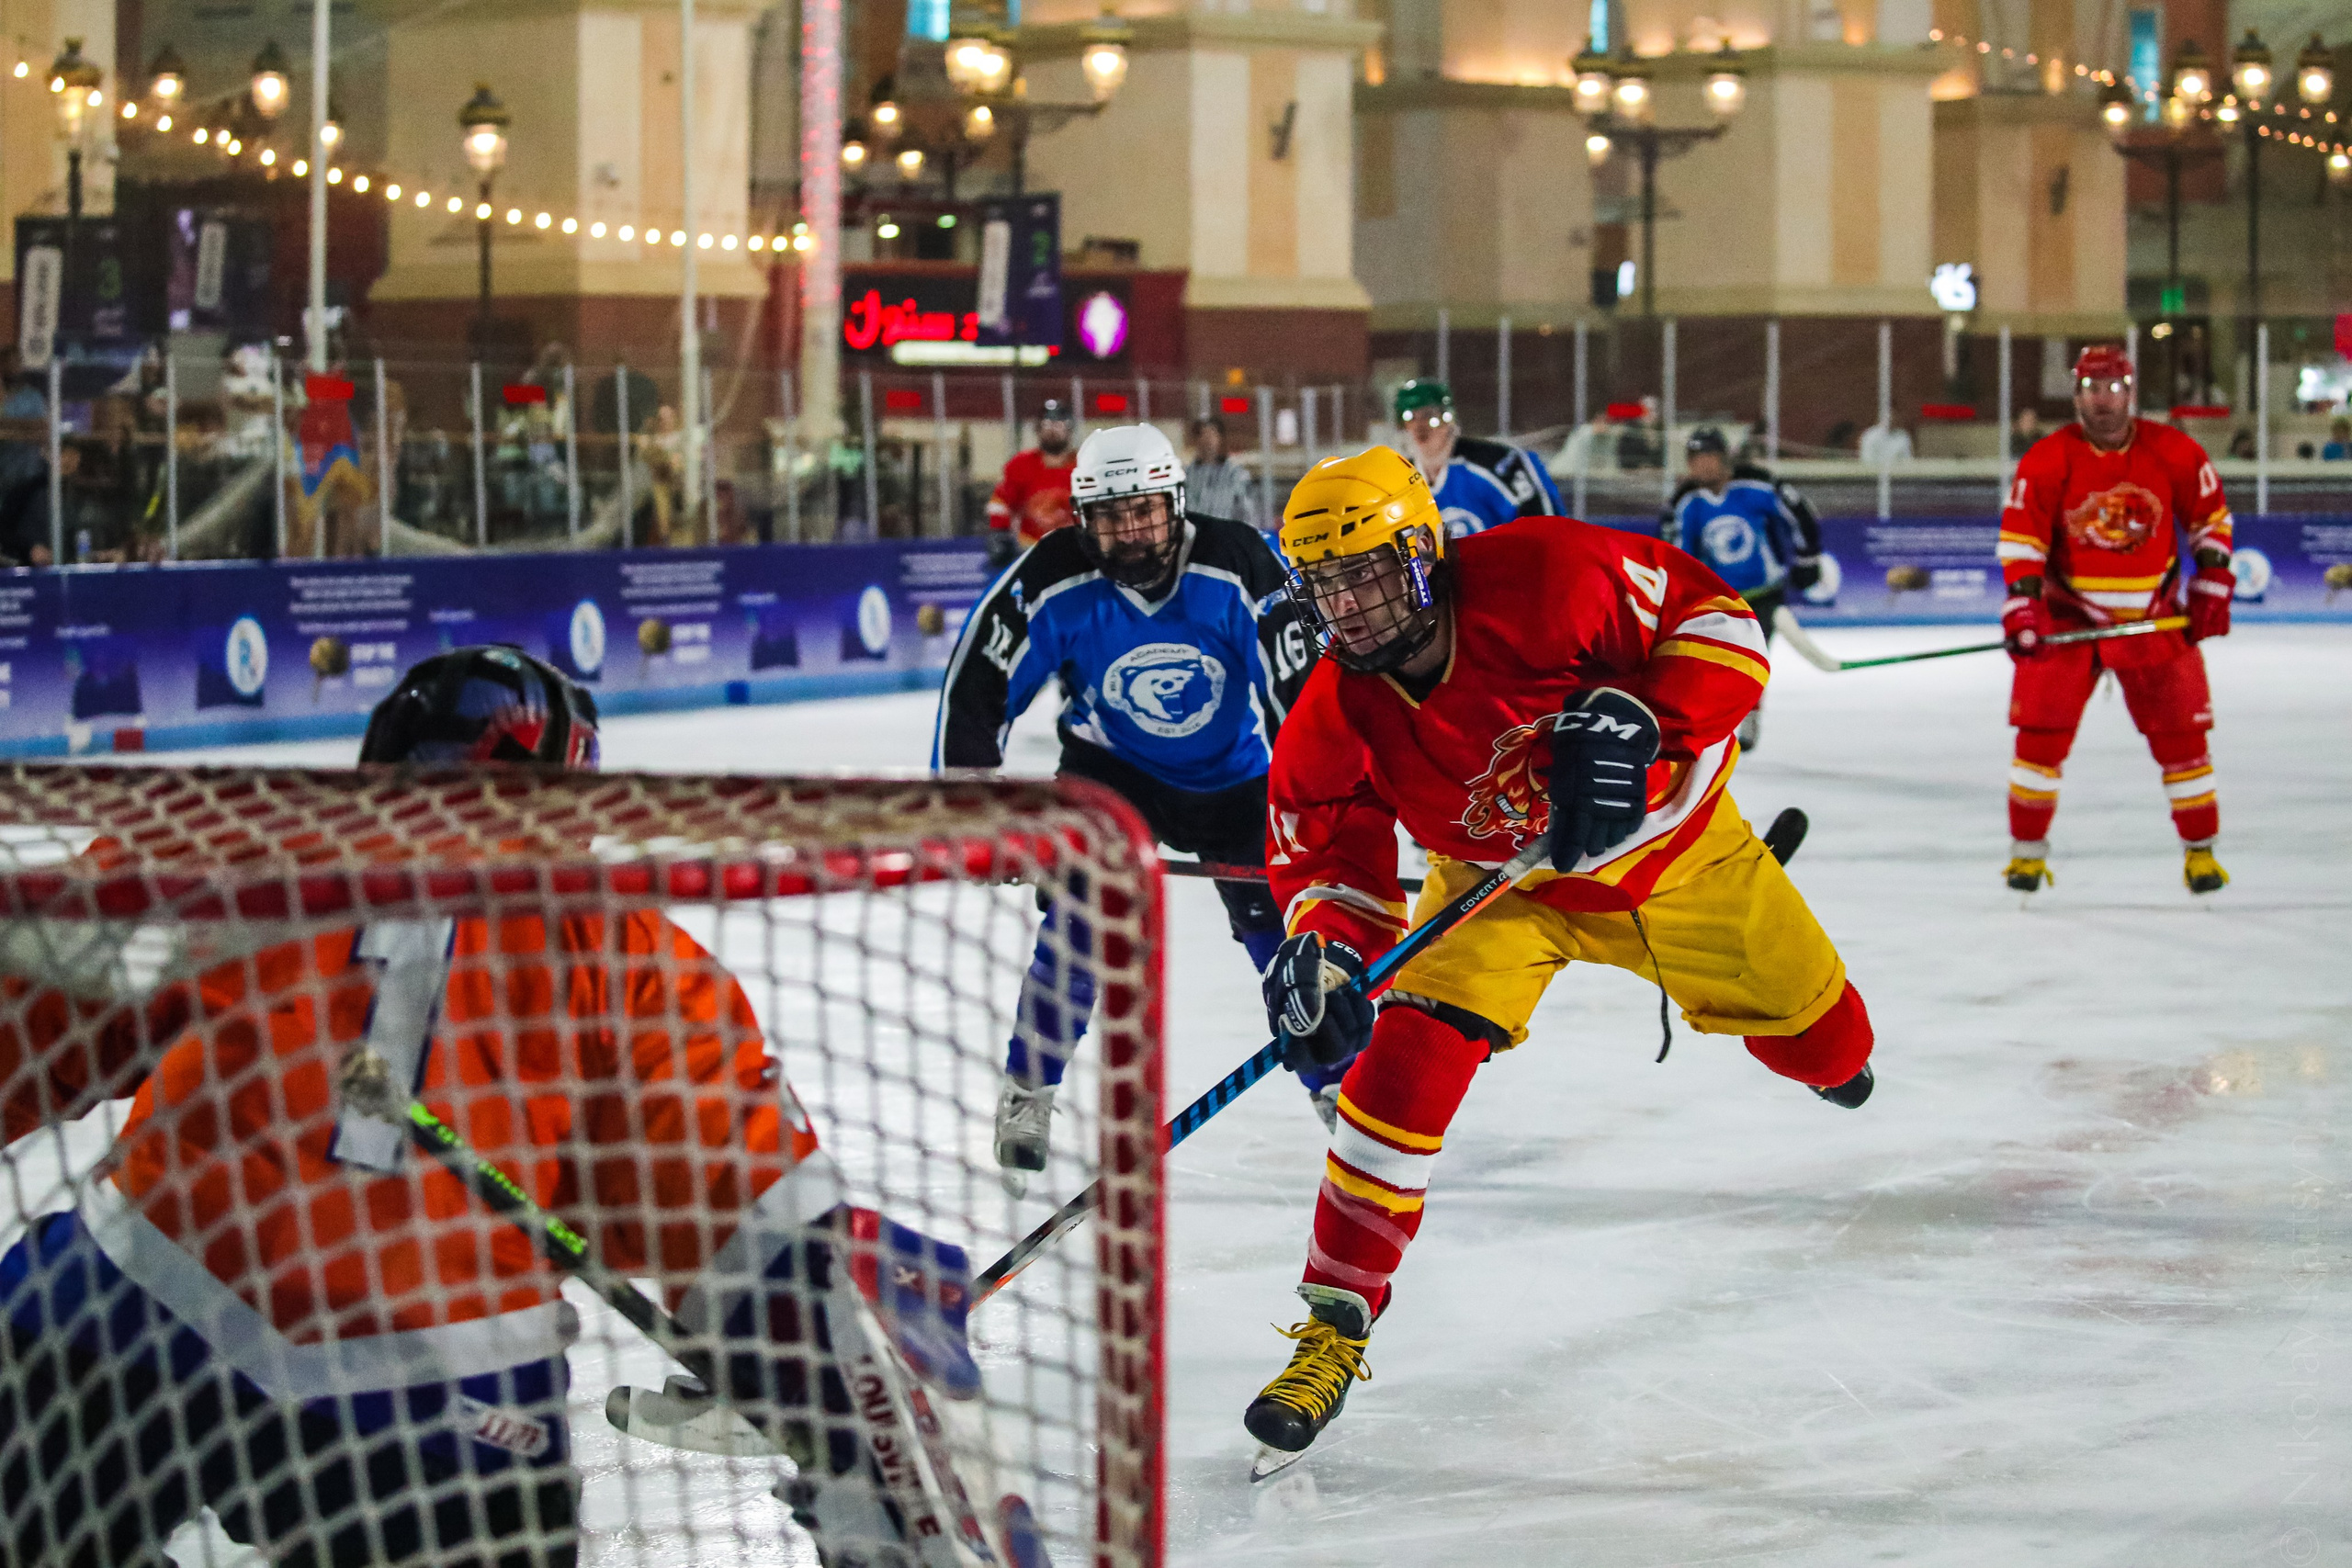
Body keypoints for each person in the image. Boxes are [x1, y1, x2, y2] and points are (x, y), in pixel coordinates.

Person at [0, 646, 978, 1567]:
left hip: (130, 1312)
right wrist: (867, 1476)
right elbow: (750, 1228)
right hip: (445, 1399)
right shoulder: (622, 948)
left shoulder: (228, 844)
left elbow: (31, 1028)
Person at [1238, 447, 1874, 1464]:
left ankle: (1822, 1050)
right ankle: (1330, 1326)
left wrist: (1647, 719)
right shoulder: (1334, 713)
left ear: (1422, 553)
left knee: (1831, 1048)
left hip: (1675, 860)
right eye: (1325, 585)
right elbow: (1325, 858)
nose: (1348, 608)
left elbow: (1718, 622)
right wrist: (1324, 954)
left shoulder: (1544, 574)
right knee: (1397, 1073)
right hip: (1500, 893)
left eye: (1366, 574)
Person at [933, 424, 1323, 1190]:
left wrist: (1319, 822)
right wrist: (972, 813)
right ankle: (1029, 1089)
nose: (1129, 530)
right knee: (1079, 928)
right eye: (1110, 516)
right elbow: (978, 686)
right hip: (1110, 774)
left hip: (1231, 777)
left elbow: (1300, 698)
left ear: (1176, 503)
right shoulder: (1054, 574)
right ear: (1083, 520)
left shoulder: (1237, 559)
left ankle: (1335, 1077)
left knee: (1281, 925)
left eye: (1144, 510)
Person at [1996, 344, 2235, 896]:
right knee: (2039, 740)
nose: (2100, 402)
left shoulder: (2173, 450)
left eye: (2111, 388)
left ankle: (2200, 854)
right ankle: (2026, 855)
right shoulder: (2049, 458)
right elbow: (2023, 540)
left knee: (2184, 741)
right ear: (2075, 394)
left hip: (2153, 620)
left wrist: (2213, 581)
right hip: (2067, 618)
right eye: (2089, 389)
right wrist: (2024, 605)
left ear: (2131, 391)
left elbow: (2210, 520)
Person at [1658, 427, 1824, 750]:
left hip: (1764, 593)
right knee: (1711, 665)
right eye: (1696, 459)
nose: (1702, 466)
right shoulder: (1685, 503)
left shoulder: (1758, 485)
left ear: (1724, 459)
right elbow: (1676, 555)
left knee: (1752, 660)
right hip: (1719, 602)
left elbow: (1801, 514)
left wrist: (1808, 561)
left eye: (1709, 457)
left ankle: (1748, 714)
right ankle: (1711, 719)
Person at [1393, 378, 1563, 537]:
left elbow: (1546, 528)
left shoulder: (1497, 463)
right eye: (1410, 418)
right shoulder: (1399, 481)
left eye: (1430, 417)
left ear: (1448, 421)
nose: (1419, 427)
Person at [985, 397, 1078, 565]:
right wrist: (999, 532)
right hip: (1031, 550)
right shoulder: (1021, 464)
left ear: (1069, 428)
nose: (1052, 430)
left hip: (1076, 550)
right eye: (1047, 424)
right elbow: (1001, 502)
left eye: (1058, 424)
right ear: (1038, 428)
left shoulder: (1083, 465)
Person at [1184, 413, 1259, 527]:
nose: (1208, 440)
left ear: (1220, 438)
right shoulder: (1186, 476)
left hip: (1226, 537)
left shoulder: (1236, 475)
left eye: (1212, 434)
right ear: (1196, 440)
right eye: (1203, 434)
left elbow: (1248, 512)